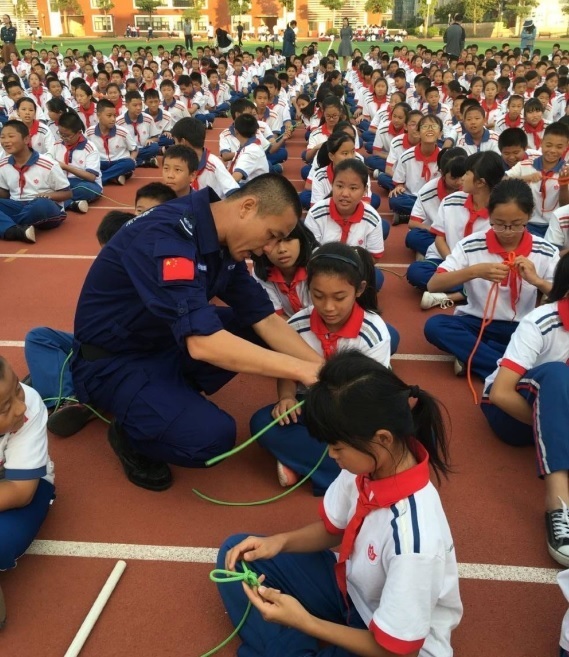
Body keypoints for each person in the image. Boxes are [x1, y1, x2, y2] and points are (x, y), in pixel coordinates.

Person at [71, 175, 323, 492]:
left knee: (252, 327)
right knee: (211, 439)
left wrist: (328, 372)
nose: (267, 250)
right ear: (247, 206)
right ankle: (131, 432)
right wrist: (303, 370)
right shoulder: (169, 237)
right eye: (271, 235)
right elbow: (203, 344)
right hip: (116, 362)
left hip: (162, 341)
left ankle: (168, 397)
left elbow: (265, 319)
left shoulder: (221, 237)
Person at [217, 350, 462, 657]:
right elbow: (335, 530)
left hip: (389, 644)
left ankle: (286, 642)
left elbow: (396, 651)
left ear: (382, 439)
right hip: (350, 592)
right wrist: (279, 543)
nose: (331, 456)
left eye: (337, 447)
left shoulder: (414, 542)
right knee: (237, 554)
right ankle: (289, 644)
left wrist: (305, 623)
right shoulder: (367, 465)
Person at [251, 243, 393, 493]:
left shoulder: (373, 332)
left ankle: (307, 463)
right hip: (311, 406)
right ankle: (343, 474)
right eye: (318, 295)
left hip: (353, 409)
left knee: (380, 433)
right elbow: (287, 369)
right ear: (308, 289)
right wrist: (285, 397)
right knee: (263, 422)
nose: (328, 307)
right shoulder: (296, 324)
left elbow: (371, 394)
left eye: (339, 297)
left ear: (359, 290)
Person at [480, 251, 569, 566]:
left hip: (558, 412)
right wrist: (553, 422)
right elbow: (502, 393)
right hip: (509, 410)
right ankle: (558, 504)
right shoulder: (542, 321)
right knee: (558, 373)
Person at [424, 178, 559, 380]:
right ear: (489, 216)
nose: (507, 232)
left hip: (523, 327)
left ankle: (479, 359)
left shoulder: (545, 250)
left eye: (516, 225)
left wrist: (537, 281)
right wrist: (475, 271)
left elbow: (562, 295)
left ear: (529, 216)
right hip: (477, 323)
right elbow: (433, 285)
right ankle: (512, 374)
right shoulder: (471, 245)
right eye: (499, 224)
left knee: (555, 340)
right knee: (435, 326)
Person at [0, 356, 55, 631]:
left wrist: (11, 401)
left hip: (22, 484)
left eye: (17, 388)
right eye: (5, 406)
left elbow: (21, 491)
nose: (22, 406)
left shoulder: (28, 405)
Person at [304, 159, 386, 290]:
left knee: (377, 278)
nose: (345, 194)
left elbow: (374, 257)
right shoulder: (316, 213)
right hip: (322, 269)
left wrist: (348, 268)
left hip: (354, 269)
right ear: (332, 185)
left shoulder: (372, 217)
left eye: (353, 188)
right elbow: (309, 254)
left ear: (365, 190)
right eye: (339, 186)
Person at [0, 120, 71, 244]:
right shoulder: (3, 164)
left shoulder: (48, 164)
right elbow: (5, 195)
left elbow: (67, 194)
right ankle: (15, 231)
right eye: (2, 137)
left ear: (27, 139)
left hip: (45, 207)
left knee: (40, 205)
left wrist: (47, 196)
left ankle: (7, 225)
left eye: (11, 136)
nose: (6, 141)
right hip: (17, 205)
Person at [251, 220, 318, 319]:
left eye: (288, 239)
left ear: (301, 241)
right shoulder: (260, 273)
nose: (282, 249)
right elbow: (276, 318)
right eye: (273, 242)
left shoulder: (320, 264)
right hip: (291, 328)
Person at [171, 117, 239, 198]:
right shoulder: (181, 163)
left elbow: (233, 191)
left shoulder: (213, 163)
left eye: (175, 141)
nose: (174, 146)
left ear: (183, 142)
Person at [53, 111, 102, 215]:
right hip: (63, 183)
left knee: (85, 189)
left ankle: (61, 200)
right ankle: (71, 204)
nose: (63, 138)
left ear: (79, 133)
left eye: (67, 135)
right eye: (60, 134)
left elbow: (91, 177)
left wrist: (66, 167)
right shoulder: (56, 145)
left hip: (84, 183)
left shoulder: (89, 148)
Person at [86, 99, 137, 186]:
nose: (113, 119)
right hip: (101, 163)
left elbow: (134, 149)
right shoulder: (89, 132)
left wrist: (132, 158)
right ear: (98, 115)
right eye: (109, 116)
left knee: (130, 163)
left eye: (115, 115)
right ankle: (115, 177)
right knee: (86, 166)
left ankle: (100, 180)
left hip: (118, 162)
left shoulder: (122, 132)